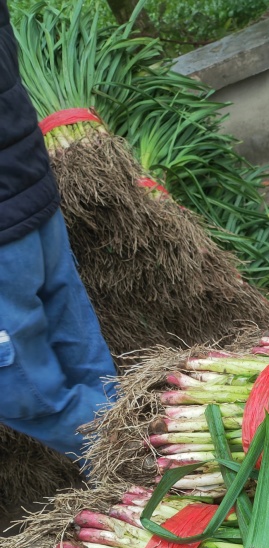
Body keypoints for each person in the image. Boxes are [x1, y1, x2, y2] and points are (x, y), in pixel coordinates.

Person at [0, 0, 116, 462]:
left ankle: (152, 461)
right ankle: (135, 445)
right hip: (31, 196)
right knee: (82, 354)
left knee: (22, 391)